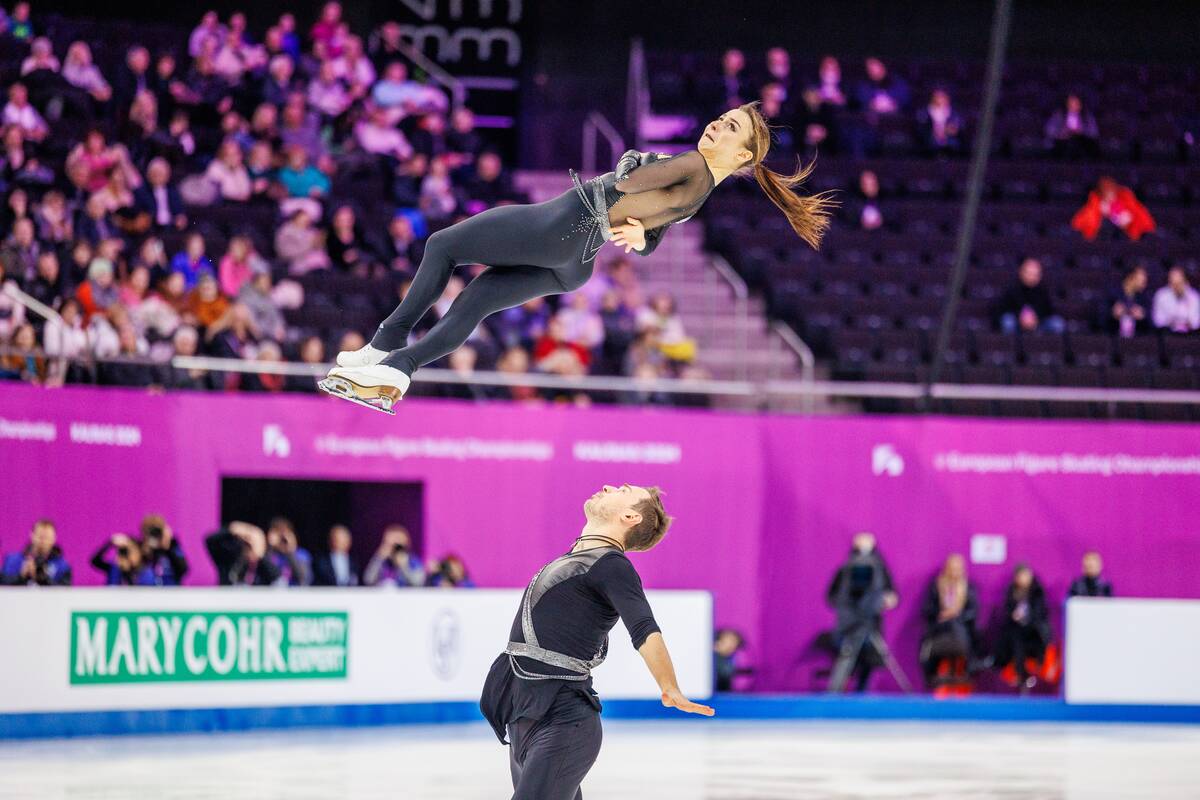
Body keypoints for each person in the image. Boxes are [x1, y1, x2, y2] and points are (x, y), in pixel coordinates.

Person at [323, 102, 834, 413]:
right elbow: (650, 230)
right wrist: (641, 237)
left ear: (743, 156)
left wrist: (639, 159)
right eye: (721, 120)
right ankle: (400, 369)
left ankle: (385, 344)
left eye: (729, 130)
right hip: (576, 264)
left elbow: (628, 181)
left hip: (564, 223)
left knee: (442, 246)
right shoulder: (703, 192)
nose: (716, 128)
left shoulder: (692, 164)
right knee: (476, 300)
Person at [479, 484, 713, 799]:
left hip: (563, 722)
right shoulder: (578, 558)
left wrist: (669, 686)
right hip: (526, 716)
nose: (607, 487)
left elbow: (643, 626)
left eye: (622, 489)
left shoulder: (612, 564)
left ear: (630, 516)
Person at [824, 532, 899, 692]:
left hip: (871, 622)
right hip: (850, 624)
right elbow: (831, 596)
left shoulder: (880, 569)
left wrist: (885, 600)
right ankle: (834, 695)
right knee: (847, 658)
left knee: (870, 659)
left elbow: (892, 593)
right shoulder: (845, 569)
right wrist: (846, 605)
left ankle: (862, 694)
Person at [918, 554, 980, 688]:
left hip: (962, 629)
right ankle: (933, 676)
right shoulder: (936, 585)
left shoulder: (969, 587)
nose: (954, 572)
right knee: (928, 646)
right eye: (952, 568)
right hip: (939, 630)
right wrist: (941, 614)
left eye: (957, 569)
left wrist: (957, 614)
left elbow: (973, 611)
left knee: (956, 625)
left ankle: (965, 669)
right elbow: (927, 608)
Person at [992, 564, 1052, 691]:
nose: (1023, 579)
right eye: (1020, 576)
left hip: (1035, 634)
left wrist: (1027, 619)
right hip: (1016, 633)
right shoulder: (1011, 592)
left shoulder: (1037, 592)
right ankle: (1020, 675)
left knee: (1020, 637)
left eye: (1026, 575)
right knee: (1015, 637)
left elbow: (1040, 615)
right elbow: (1006, 613)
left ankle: (1025, 675)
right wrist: (1013, 616)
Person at [1071, 177, 1156, 242]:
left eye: (1111, 188)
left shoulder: (1125, 201)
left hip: (1125, 242)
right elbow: (1080, 226)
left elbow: (1135, 225)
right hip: (1098, 243)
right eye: (1105, 189)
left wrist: (1114, 213)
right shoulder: (1093, 204)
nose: (1109, 192)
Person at [995, 257, 1065, 335]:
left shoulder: (1043, 290)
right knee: (1008, 321)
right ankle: (1010, 346)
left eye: (1035, 274)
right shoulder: (1011, 288)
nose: (1032, 276)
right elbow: (1001, 310)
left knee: (1057, 323)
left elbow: (1049, 311)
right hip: (1017, 323)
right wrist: (1020, 317)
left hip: (1038, 323)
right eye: (1029, 273)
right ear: (1021, 272)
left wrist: (1035, 317)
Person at [205, 521, 282, 586]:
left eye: (255, 541)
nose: (249, 544)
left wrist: (258, 554)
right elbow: (210, 541)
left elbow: (277, 578)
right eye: (246, 542)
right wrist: (232, 529)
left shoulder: (264, 566)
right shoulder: (229, 560)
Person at [1, 519, 72, 585]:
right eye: (40, 536)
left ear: (54, 538)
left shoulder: (62, 566)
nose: (43, 541)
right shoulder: (13, 561)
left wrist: (44, 579)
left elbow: (64, 593)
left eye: (47, 537)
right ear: (32, 535)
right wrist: (21, 576)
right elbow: (3, 585)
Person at [1102, 264, 1151, 337]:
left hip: (1136, 341)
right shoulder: (1111, 294)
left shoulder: (1144, 298)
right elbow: (1099, 320)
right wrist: (1113, 315)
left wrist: (1143, 317)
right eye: (1143, 276)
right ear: (1130, 276)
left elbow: (1152, 323)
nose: (1145, 279)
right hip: (1113, 338)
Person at [265, 517, 312, 587]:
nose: (281, 539)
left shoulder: (301, 554)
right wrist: (270, 546)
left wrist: (290, 550)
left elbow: (304, 578)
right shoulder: (267, 554)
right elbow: (266, 575)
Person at [1152, 266, 1200, 334]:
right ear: (1169, 281)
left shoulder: (1194, 296)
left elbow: (1196, 322)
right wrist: (1171, 322)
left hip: (1190, 336)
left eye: (1179, 283)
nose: (1177, 286)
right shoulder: (1161, 295)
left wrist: (1185, 299)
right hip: (1167, 335)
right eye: (1173, 283)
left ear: (1185, 281)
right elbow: (1157, 321)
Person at [713, 628, 748, 693]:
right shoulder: (711, 657)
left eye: (735, 642)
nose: (732, 644)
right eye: (730, 640)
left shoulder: (731, 658)